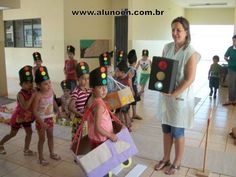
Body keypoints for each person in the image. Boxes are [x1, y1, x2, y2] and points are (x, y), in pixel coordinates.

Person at [154, 17, 200, 175]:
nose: (175, 33)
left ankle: (177, 162)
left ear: (186, 32)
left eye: (178, 30)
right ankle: (165, 158)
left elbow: (189, 79)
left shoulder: (191, 52)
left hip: (179, 99)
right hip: (165, 97)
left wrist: (173, 94)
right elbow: (161, 71)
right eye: (173, 29)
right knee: (166, 129)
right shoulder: (167, 47)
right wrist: (158, 84)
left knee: (177, 132)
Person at [0, 66, 36, 155]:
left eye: (30, 82)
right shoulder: (20, 94)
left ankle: (26, 150)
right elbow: (25, 106)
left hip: (27, 117)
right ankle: (0, 144)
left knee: (29, 132)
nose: (29, 85)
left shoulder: (31, 92)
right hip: (18, 117)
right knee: (13, 133)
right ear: (21, 84)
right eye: (26, 83)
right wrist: (32, 96)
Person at [86, 66, 121, 149]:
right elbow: (97, 127)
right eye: (100, 87)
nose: (104, 90)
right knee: (104, 160)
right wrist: (110, 135)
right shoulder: (99, 106)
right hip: (101, 139)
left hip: (94, 137)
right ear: (92, 89)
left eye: (105, 86)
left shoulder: (92, 99)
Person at [33, 66, 61, 166]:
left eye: (49, 82)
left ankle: (52, 153)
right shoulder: (38, 95)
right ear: (38, 85)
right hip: (41, 120)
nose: (48, 85)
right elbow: (34, 111)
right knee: (42, 139)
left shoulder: (51, 91)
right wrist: (41, 122)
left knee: (51, 136)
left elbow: (52, 101)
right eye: (45, 84)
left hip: (50, 118)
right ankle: (40, 158)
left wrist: (58, 110)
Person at [68, 62, 90, 140]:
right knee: (78, 141)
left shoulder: (89, 90)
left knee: (86, 140)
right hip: (79, 122)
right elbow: (70, 107)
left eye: (87, 78)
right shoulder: (76, 91)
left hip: (88, 120)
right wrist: (80, 115)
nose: (86, 81)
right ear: (78, 79)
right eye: (83, 78)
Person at [115, 60, 134, 132]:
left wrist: (132, 91)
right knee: (118, 112)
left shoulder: (127, 79)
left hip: (125, 100)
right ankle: (121, 124)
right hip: (119, 98)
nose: (116, 73)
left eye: (117, 71)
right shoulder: (117, 78)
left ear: (122, 72)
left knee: (125, 112)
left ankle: (128, 126)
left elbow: (131, 88)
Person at [127, 49, 142, 120]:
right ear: (135, 61)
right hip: (132, 87)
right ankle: (130, 116)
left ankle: (134, 114)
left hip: (134, 87)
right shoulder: (132, 70)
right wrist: (132, 89)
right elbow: (129, 80)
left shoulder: (130, 68)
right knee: (130, 101)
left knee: (134, 101)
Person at [223, 35, 236, 106]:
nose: (233, 42)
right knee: (231, 85)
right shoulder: (230, 48)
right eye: (233, 40)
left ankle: (235, 100)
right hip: (231, 69)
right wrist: (229, 62)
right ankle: (231, 100)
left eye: (234, 41)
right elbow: (225, 57)